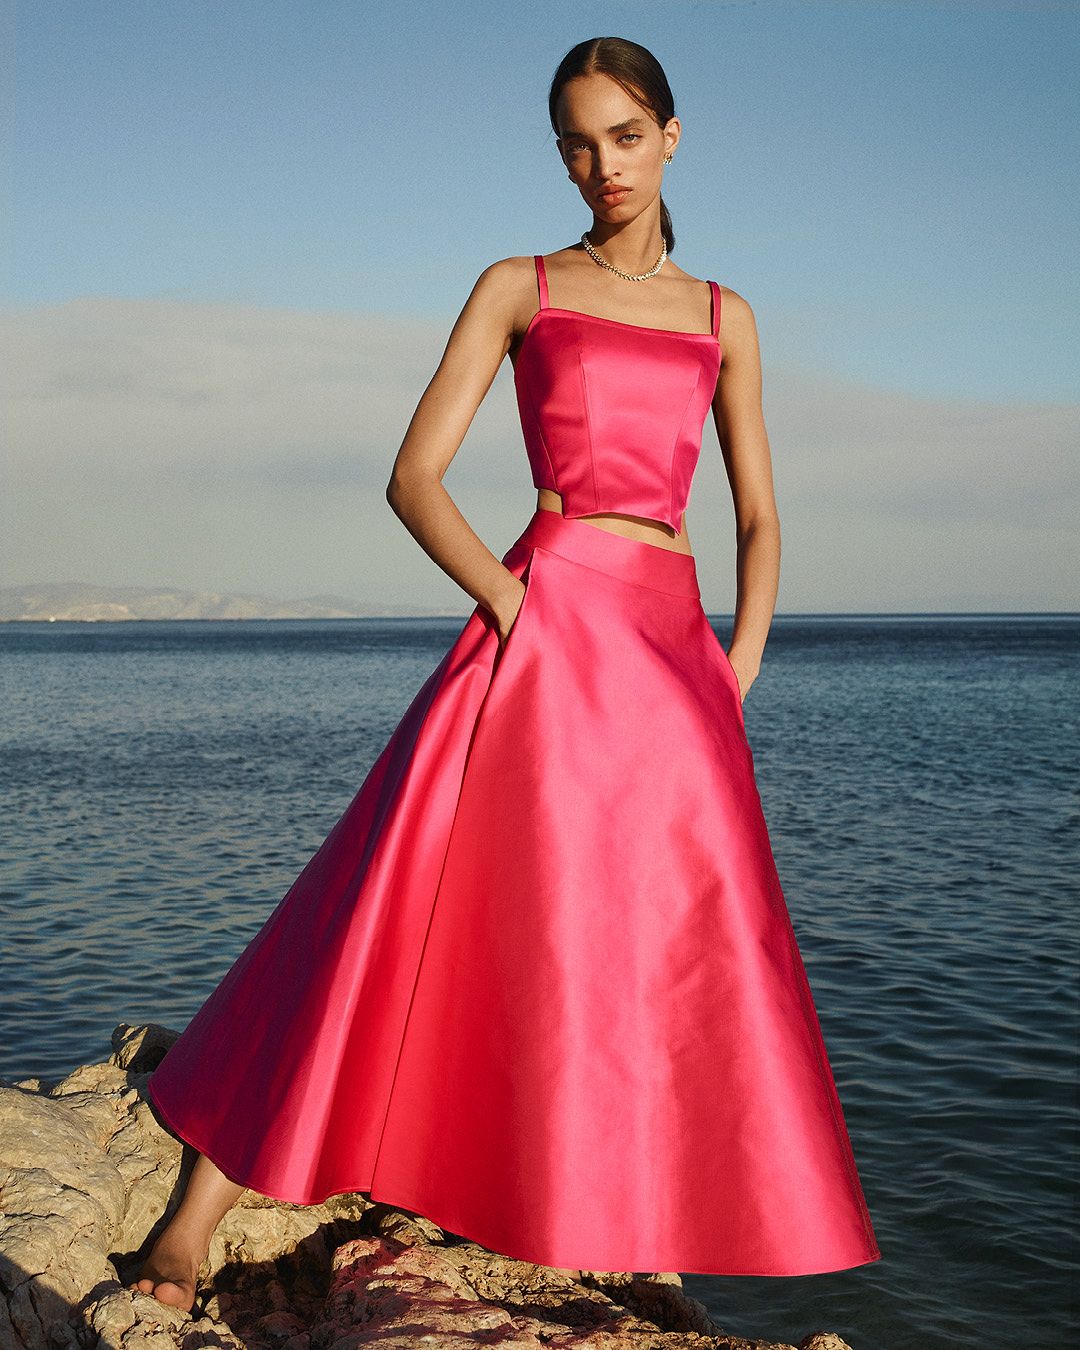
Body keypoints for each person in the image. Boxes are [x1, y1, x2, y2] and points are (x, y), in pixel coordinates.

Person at [129, 36, 881, 1312]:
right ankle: (196, 1214)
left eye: (627, 136)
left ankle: (646, 1246)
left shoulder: (723, 315)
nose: (605, 166)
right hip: (544, 618)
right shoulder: (519, 286)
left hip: (674, 651)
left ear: (673, 135)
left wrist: (738, 658)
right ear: (560, 154)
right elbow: (413, 477)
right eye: (579, 143)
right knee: (393, 896)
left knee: (668, 946)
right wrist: (511, 601)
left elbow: (757, 515)